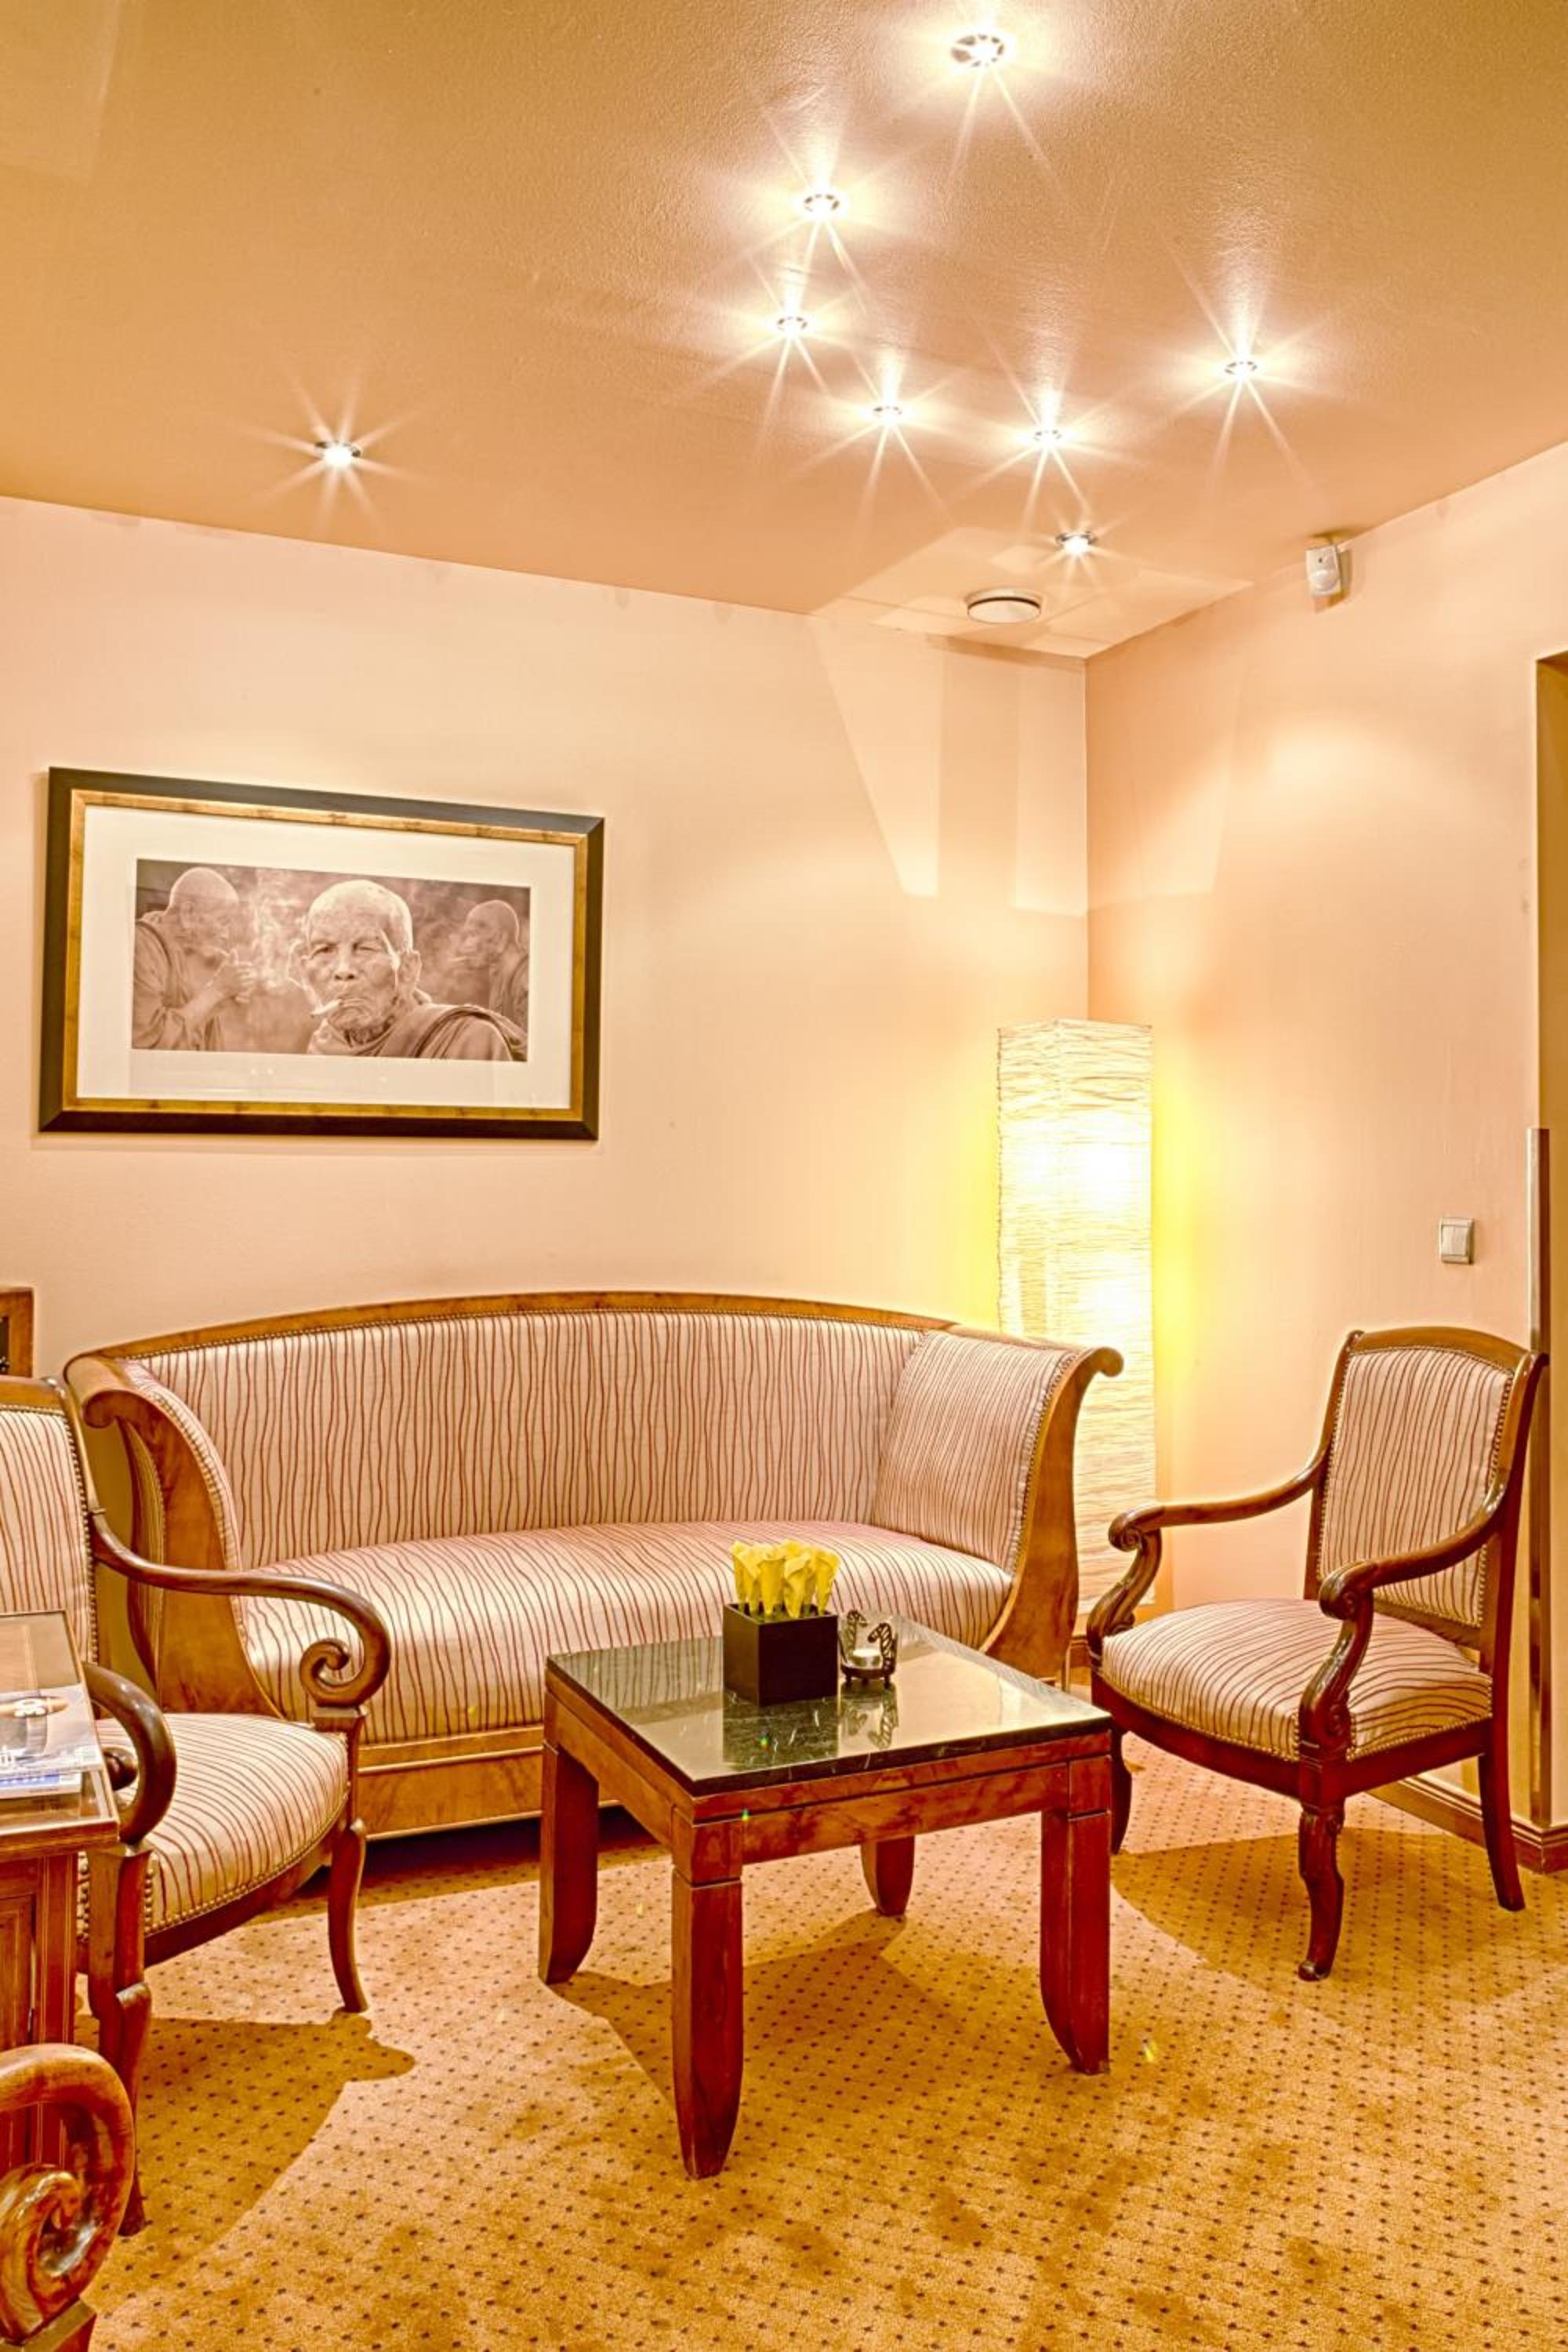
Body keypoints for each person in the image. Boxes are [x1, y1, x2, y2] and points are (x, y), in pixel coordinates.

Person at [300, 878, 524, 1060]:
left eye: (366, 948)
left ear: (408, 969)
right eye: (324, 950)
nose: (343, 970)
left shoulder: (468, 1041)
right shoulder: (322, 1046)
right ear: (304, 971)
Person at [131, 867, 258, 1049]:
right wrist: (218, 991)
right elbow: (148, 1041)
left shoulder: (179, 950)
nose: (226, 935)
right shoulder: (141, 945)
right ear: (188, 913)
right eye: (222, 922)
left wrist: (223, 997)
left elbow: (191, 1025)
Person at [448, 898, 529, 1039]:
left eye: (473, 935)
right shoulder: (498, 972)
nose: (466, 945)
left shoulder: (526, 978)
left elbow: (530, 1045)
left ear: (500, 938)